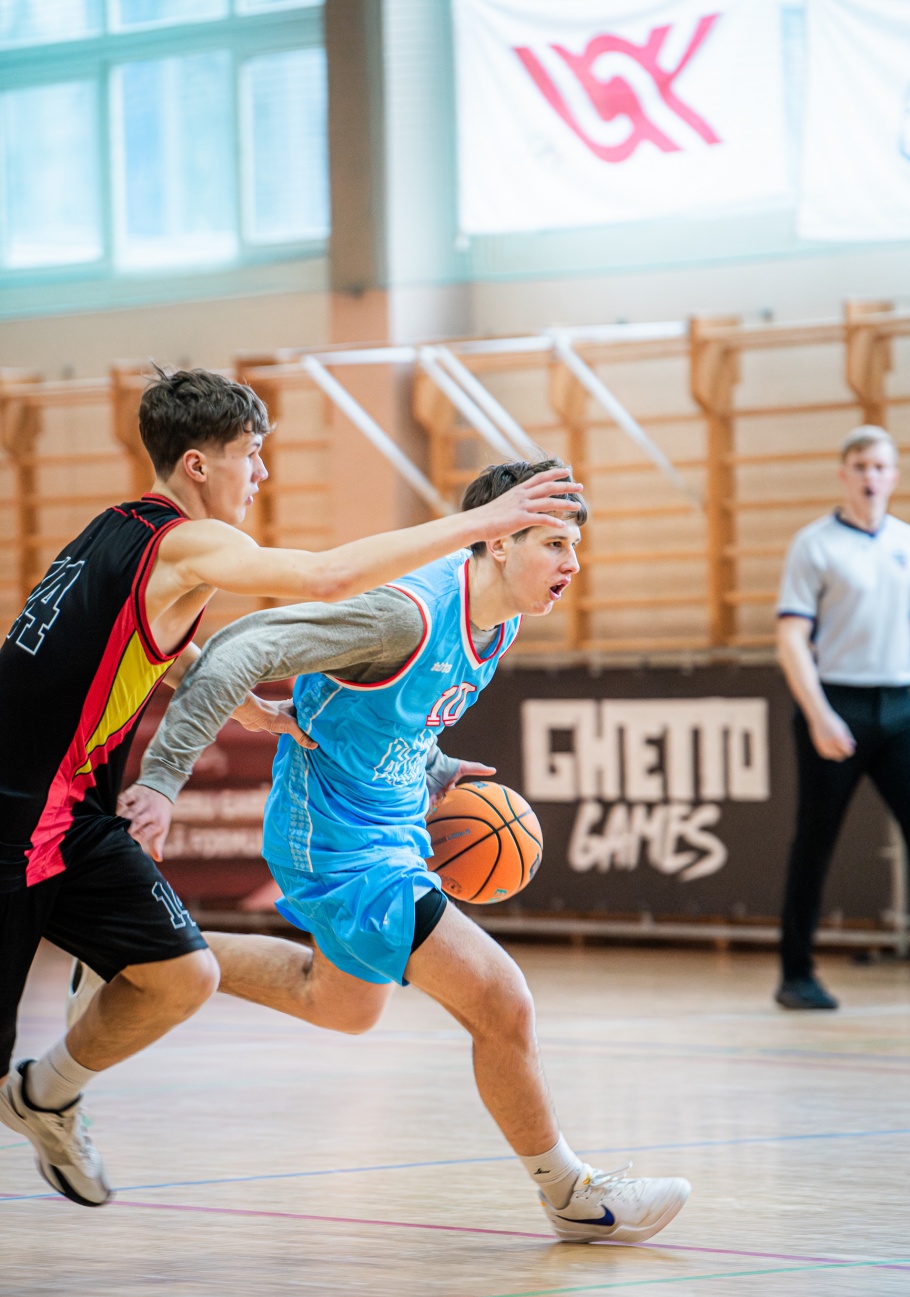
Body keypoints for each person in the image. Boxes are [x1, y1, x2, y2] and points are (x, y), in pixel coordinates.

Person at [0, 367, 581, 1206]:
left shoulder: (118, 531)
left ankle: (45, 1094)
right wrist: (480, 520)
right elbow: (323, 578)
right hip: (18, 812)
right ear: (199, 465)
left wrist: (250, 709)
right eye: (251, 454)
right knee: (483, 999)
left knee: (186, 975)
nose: (262, 472)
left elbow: (142, 642)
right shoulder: (188, 543)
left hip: (72, 811)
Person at [111, 458, 691, 1245]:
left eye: (575, 545)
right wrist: (163, 778)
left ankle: (137, 951)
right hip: (335, 841)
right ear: (496, 542)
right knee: (504, 1001)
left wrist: (432, 763)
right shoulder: (402, 616)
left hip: (388, 826)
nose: (572, 564)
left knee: (340, 1003)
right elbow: (237, 650)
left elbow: (396, 715)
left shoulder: (502, 617)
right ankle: (573, 1195)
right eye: (554, 544)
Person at [775, 425, 910, 1012]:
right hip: (838, 702)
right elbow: (791, 638)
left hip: (901, 708)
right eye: (860, 467)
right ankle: (796, 975)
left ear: (894, 476)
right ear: (844, 475)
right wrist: (820, 715)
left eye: (881, 467)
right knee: (815, 841)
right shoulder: (814, 545)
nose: (871, 477)